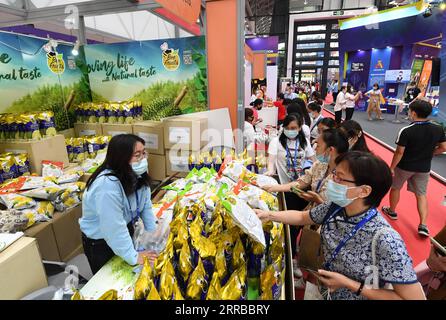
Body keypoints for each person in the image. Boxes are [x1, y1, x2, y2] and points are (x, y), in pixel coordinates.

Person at [255, 151, 425, 300]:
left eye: (339, 178)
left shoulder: (385, 239)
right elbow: (302, 217)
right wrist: (268, 215)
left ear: (364, 191)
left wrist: (350, 284)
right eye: (334, 174)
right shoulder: (335, 207)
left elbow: (411, 297)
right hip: (325, 292)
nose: (332, 181)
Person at [80, 134, 156, 274]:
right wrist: (134, 257)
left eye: (144, 153)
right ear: (121, 158)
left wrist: (153, 234)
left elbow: (145, 204)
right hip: (101, 242)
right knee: (112, 278)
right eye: (137, 155)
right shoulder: (106, 186)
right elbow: (113, 227)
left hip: (124, 231)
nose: (143, 159)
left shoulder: (136, 173)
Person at [382, 100, 446, 236]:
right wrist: (430, 153)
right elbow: (443, 148)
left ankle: (392, 211)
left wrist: (391, 168)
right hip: (424, 167)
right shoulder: (438, 128)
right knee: (421, 195)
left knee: (396, 188)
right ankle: (423, 225)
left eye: (410, 111)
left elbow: (399, 152)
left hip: (404, 166)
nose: (409, 113)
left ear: (414, 113)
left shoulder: (406, 130)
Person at [263, 128, 349, 210]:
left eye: (318, 146)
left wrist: (318, 200)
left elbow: (339, 210)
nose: (315, 149)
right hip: (310, 213)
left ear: (330, 150)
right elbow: (301, 182)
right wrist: (273, 188)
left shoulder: (345, 177)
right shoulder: (319, 165)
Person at [265, 114, 315, 183]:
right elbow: (271, 161)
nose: (290, 131)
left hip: (301, 184)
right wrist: (270, 170)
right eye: (287, 128)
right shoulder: (276, 141)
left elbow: (312, 160)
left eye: (293, 128)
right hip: (283, 185)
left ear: (300, 128)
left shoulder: (304, 141)